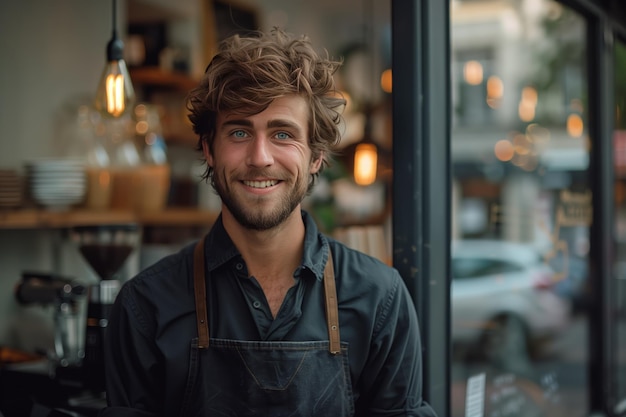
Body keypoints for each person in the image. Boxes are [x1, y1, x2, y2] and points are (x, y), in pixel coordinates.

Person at [100, 28, 438, 417]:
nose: (260, 157)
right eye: (240, 131)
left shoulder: (380, 299)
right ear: (209, 149)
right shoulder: (146, 306)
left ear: (315, 157)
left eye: (282, 133)